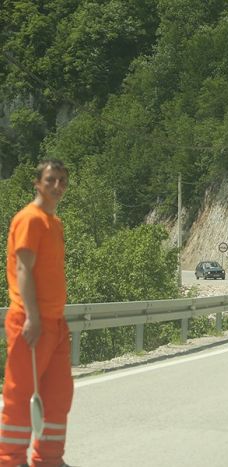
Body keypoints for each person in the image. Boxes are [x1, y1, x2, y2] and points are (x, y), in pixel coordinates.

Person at [1, 160, 73, 467]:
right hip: (31, 321)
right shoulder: (29, 219)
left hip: (55, 323)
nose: (57, 186)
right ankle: (9, 460)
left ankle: (48, 460)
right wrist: (32, 316)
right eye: (50, 180)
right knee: (20, 399)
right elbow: (23, 268)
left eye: (62, 181)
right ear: (37, 183)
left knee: (57, 397)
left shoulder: (54, 222)